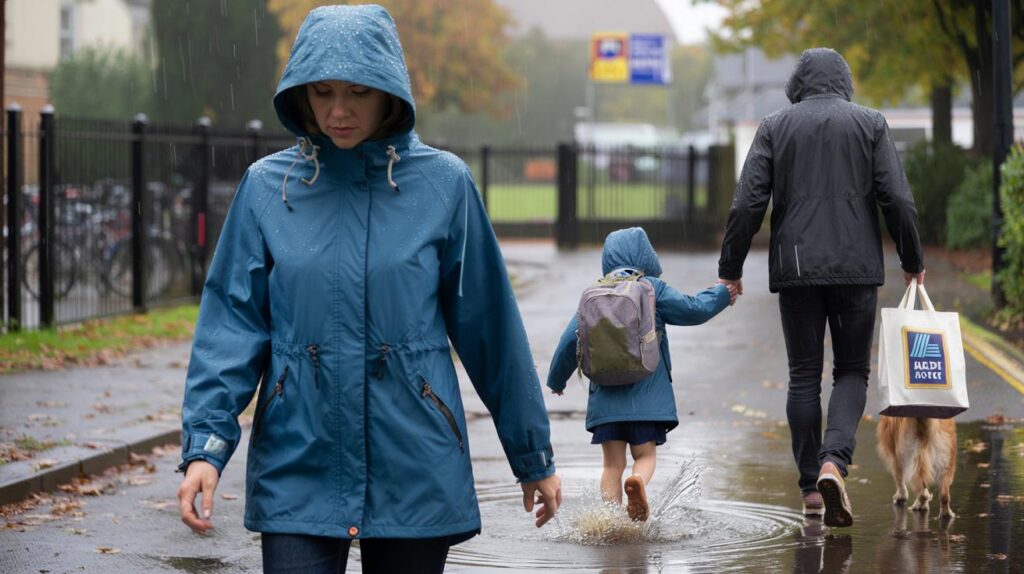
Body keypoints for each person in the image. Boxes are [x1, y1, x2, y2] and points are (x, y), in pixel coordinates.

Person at [175, 6, 561, 573]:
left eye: (358, 91)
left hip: (415, 459)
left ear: (389, 93)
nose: (338, 110)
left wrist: (532, 455)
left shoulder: (444, 185)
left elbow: (491, 329)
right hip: (297, 459)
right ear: (301, 93)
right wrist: (205, 447)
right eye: (322, 91)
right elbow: (231, 326)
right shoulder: (267, 189)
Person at [716, 47, 925, 528]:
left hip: (797, 270)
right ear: (844, 82)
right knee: (851, 370)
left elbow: (747, 203)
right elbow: (897, 198)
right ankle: (834, 462)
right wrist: (912, 259)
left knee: (804, 375)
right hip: (855, 270)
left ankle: (812, 486)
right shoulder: (870, 124)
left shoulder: (775, 126)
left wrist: (731, 266)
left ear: (798, 84)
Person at [547, 227, 734, 521]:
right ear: (646, 255)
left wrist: (557, 380)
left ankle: (610, 521)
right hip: (646, 401)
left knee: (611, 466)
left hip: (606, 402)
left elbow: (570, 340)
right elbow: (693, 309)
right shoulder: (652, 289)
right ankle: (638, 482)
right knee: (644, 455)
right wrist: (722, 293)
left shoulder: (596, 293)